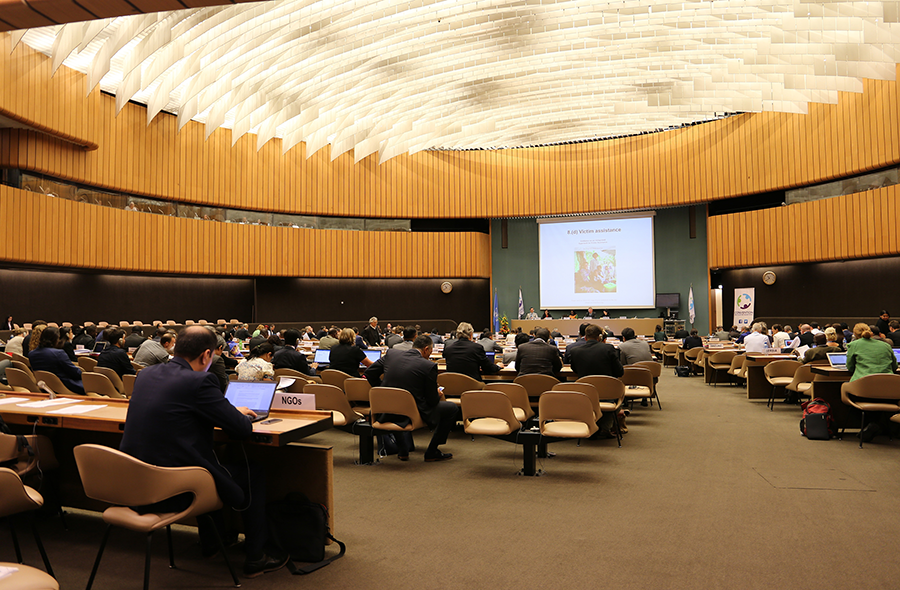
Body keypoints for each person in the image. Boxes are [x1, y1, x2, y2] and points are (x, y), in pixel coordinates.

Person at [119, 327, 287, 577]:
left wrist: (225, 409)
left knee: (205, 461)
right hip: (175, 490)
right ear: (207, 355)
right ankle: (255, 556)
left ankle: (212, 544)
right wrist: (232, 412)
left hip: (137, 483)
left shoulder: (146, 375)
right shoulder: (200, 381)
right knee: (252, 472)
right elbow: (241, 429)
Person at [364, 335, 455, 462]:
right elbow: (432, 401)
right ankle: (432, 451)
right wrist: (437, 394)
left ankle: (403, 450)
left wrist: (383, 392)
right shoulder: (428, 366)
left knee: (398, 407)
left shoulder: (391, 355)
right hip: (411, 414)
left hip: (385, 410)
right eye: (430, 352)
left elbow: (369, 373)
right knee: (452, 408)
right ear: (426, 349)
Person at [567, 324, 624, 437]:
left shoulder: (575, 351)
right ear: (599, 337)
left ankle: (592, 426)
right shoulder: (608, 349)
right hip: (608, 394)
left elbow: (575, 370)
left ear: (585, 337)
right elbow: (620, 372)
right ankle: (605, 427)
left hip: (585, 393)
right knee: (619, 393)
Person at [846, 322, 899, 442]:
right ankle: (879, 425)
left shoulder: (853, 345)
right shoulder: (885, 345)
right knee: (881, 401)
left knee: (849, 396)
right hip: (889, 390)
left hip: (864, 389)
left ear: (854, 334)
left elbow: (850, 367)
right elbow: (894, 366)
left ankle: (873, 424)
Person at [27, 326, 85, 394]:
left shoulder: (31, 354)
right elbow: (74, 372)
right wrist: (85, 374)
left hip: (45, 386)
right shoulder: (58, 353)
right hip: (65, 386)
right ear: (56, 338)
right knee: (95, 386)